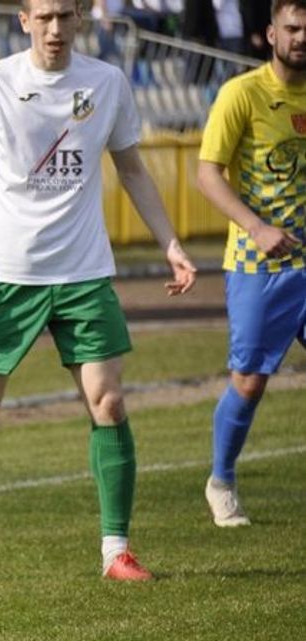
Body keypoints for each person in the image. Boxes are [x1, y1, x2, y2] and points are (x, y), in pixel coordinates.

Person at [0, 0, 198, 586]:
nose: (54, 28)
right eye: (43, 16)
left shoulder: (107, 82)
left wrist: (169, 242)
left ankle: (116, 551)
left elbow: (133, 170)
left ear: (79, 20)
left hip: (84, 274)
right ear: (24, 20)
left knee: (109, 404)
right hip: (6, 277)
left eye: (65, 16)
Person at [195, 0, 306, 528]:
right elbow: (208, 174)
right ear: (271, 33)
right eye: (294, 27)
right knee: (250, 381)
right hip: (259, 266)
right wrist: (258, 229)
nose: (302, 37)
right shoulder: (242, 93)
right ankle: (221, 480)